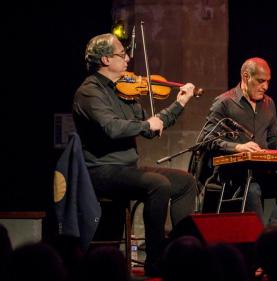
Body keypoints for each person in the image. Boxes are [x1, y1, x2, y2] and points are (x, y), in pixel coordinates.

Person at [72, 33, 197, 276]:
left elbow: (152, 128)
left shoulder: (125, 90)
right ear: (106, 59)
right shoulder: (89, 92)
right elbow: (112, 128)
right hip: (100, 171)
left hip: (127, 169)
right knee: (158, 184)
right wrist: (146, 125)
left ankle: (182, 252)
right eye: (122, 54)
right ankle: (155, 259)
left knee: (185, 182)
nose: (128, 58)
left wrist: (179, 104)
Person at [201, 57, 277, 225]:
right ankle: (257, 240)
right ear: (246, 76)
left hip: (261, 172)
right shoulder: (224, 103)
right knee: (253, 189)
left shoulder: (269, 103)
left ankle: (271, 235)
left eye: (268, 82)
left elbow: (273, 137)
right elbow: (207, 139)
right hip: (233, 175)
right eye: (261, 81)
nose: (266, 86)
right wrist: (238, 147)